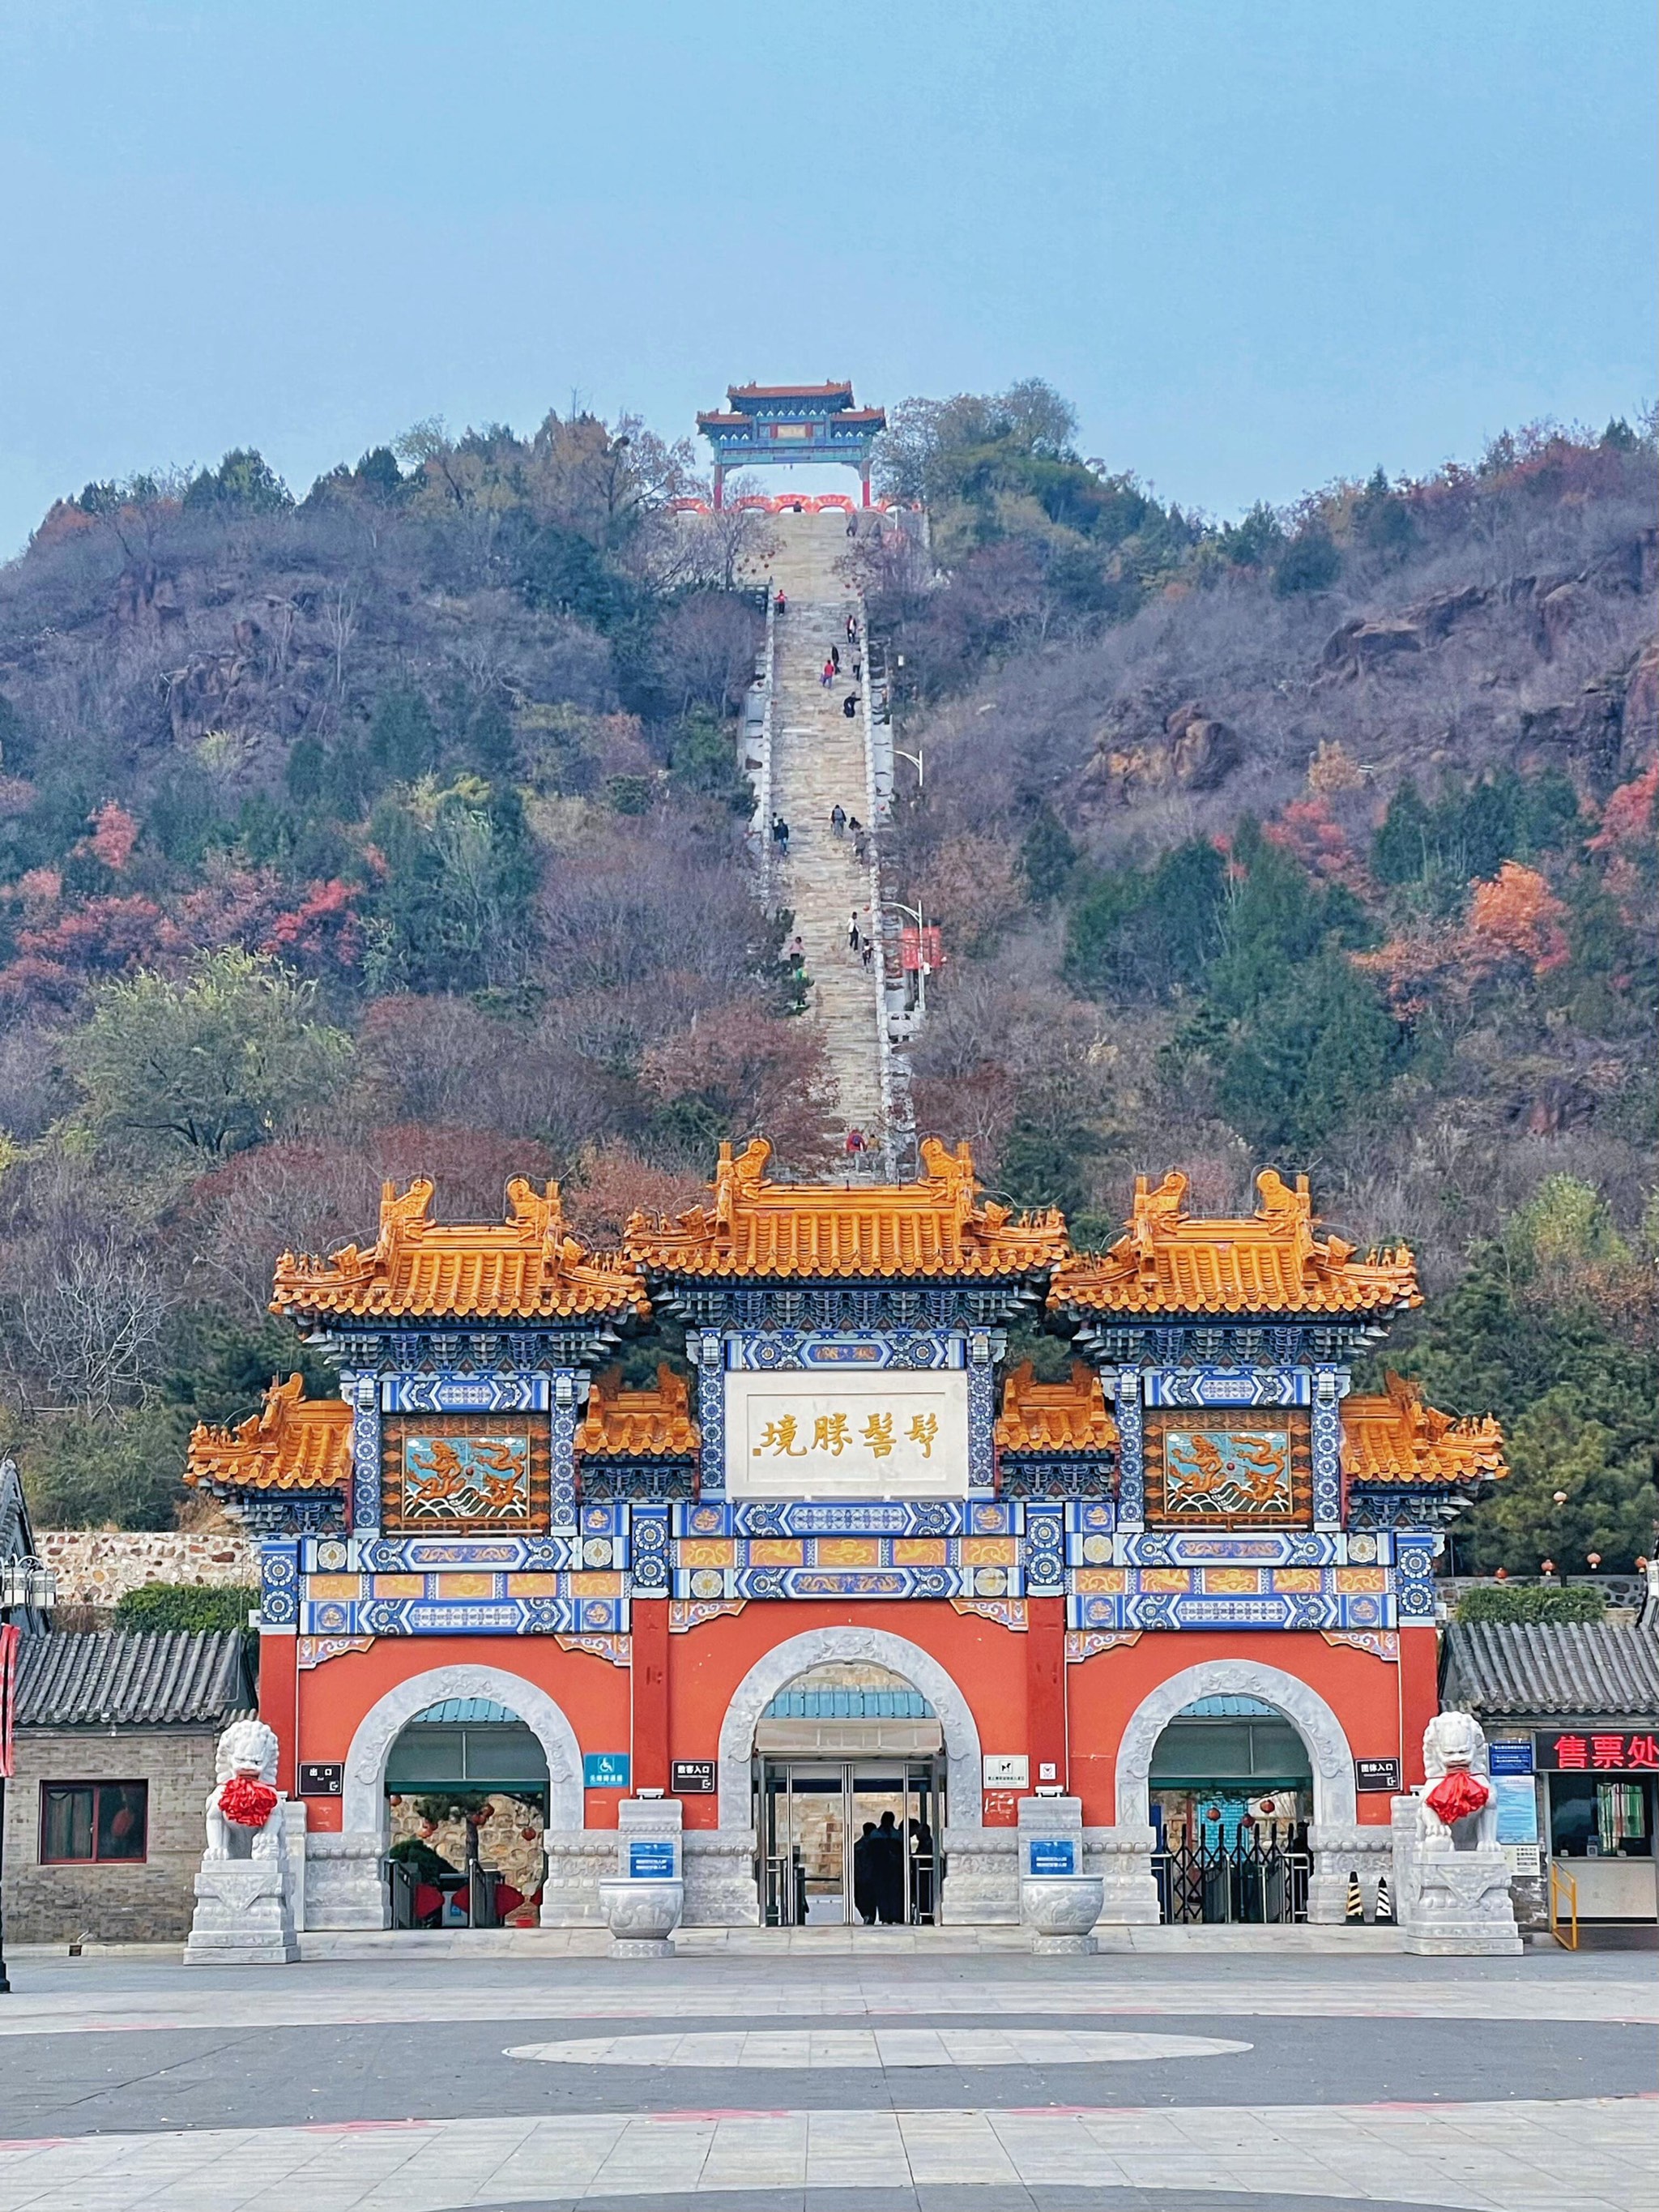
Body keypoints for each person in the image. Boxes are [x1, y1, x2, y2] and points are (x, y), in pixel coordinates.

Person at [874, 1810, 905, 1924]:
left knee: (888, 1894)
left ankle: (889, 1916)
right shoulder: (897, 1835)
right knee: (889, 1893)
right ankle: (889, 1916)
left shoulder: (876, 1835)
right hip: (888, 1869)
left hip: (887, 1870)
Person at [852, 1822, 878, 1924]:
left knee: (860, 1901)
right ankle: (869, 1917)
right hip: (871, 1878)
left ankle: (867, 1916)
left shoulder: (857, 1846)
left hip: (860, 1878)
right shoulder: (874, 1846)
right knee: (871, 1901)